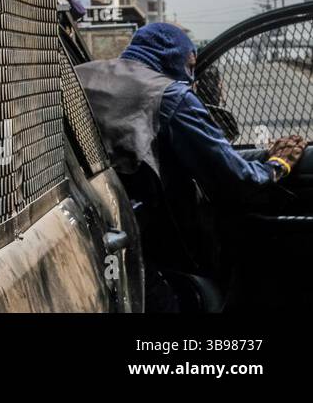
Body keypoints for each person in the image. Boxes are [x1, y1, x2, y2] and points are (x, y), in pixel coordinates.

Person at [77, 22, 307, 311]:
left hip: (86, 229)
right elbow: (234, 179)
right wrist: (276, 165)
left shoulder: (79, 77)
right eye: (190, 65)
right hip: (144, 247)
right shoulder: (170, 95)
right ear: (173, 57)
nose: (192, 76)